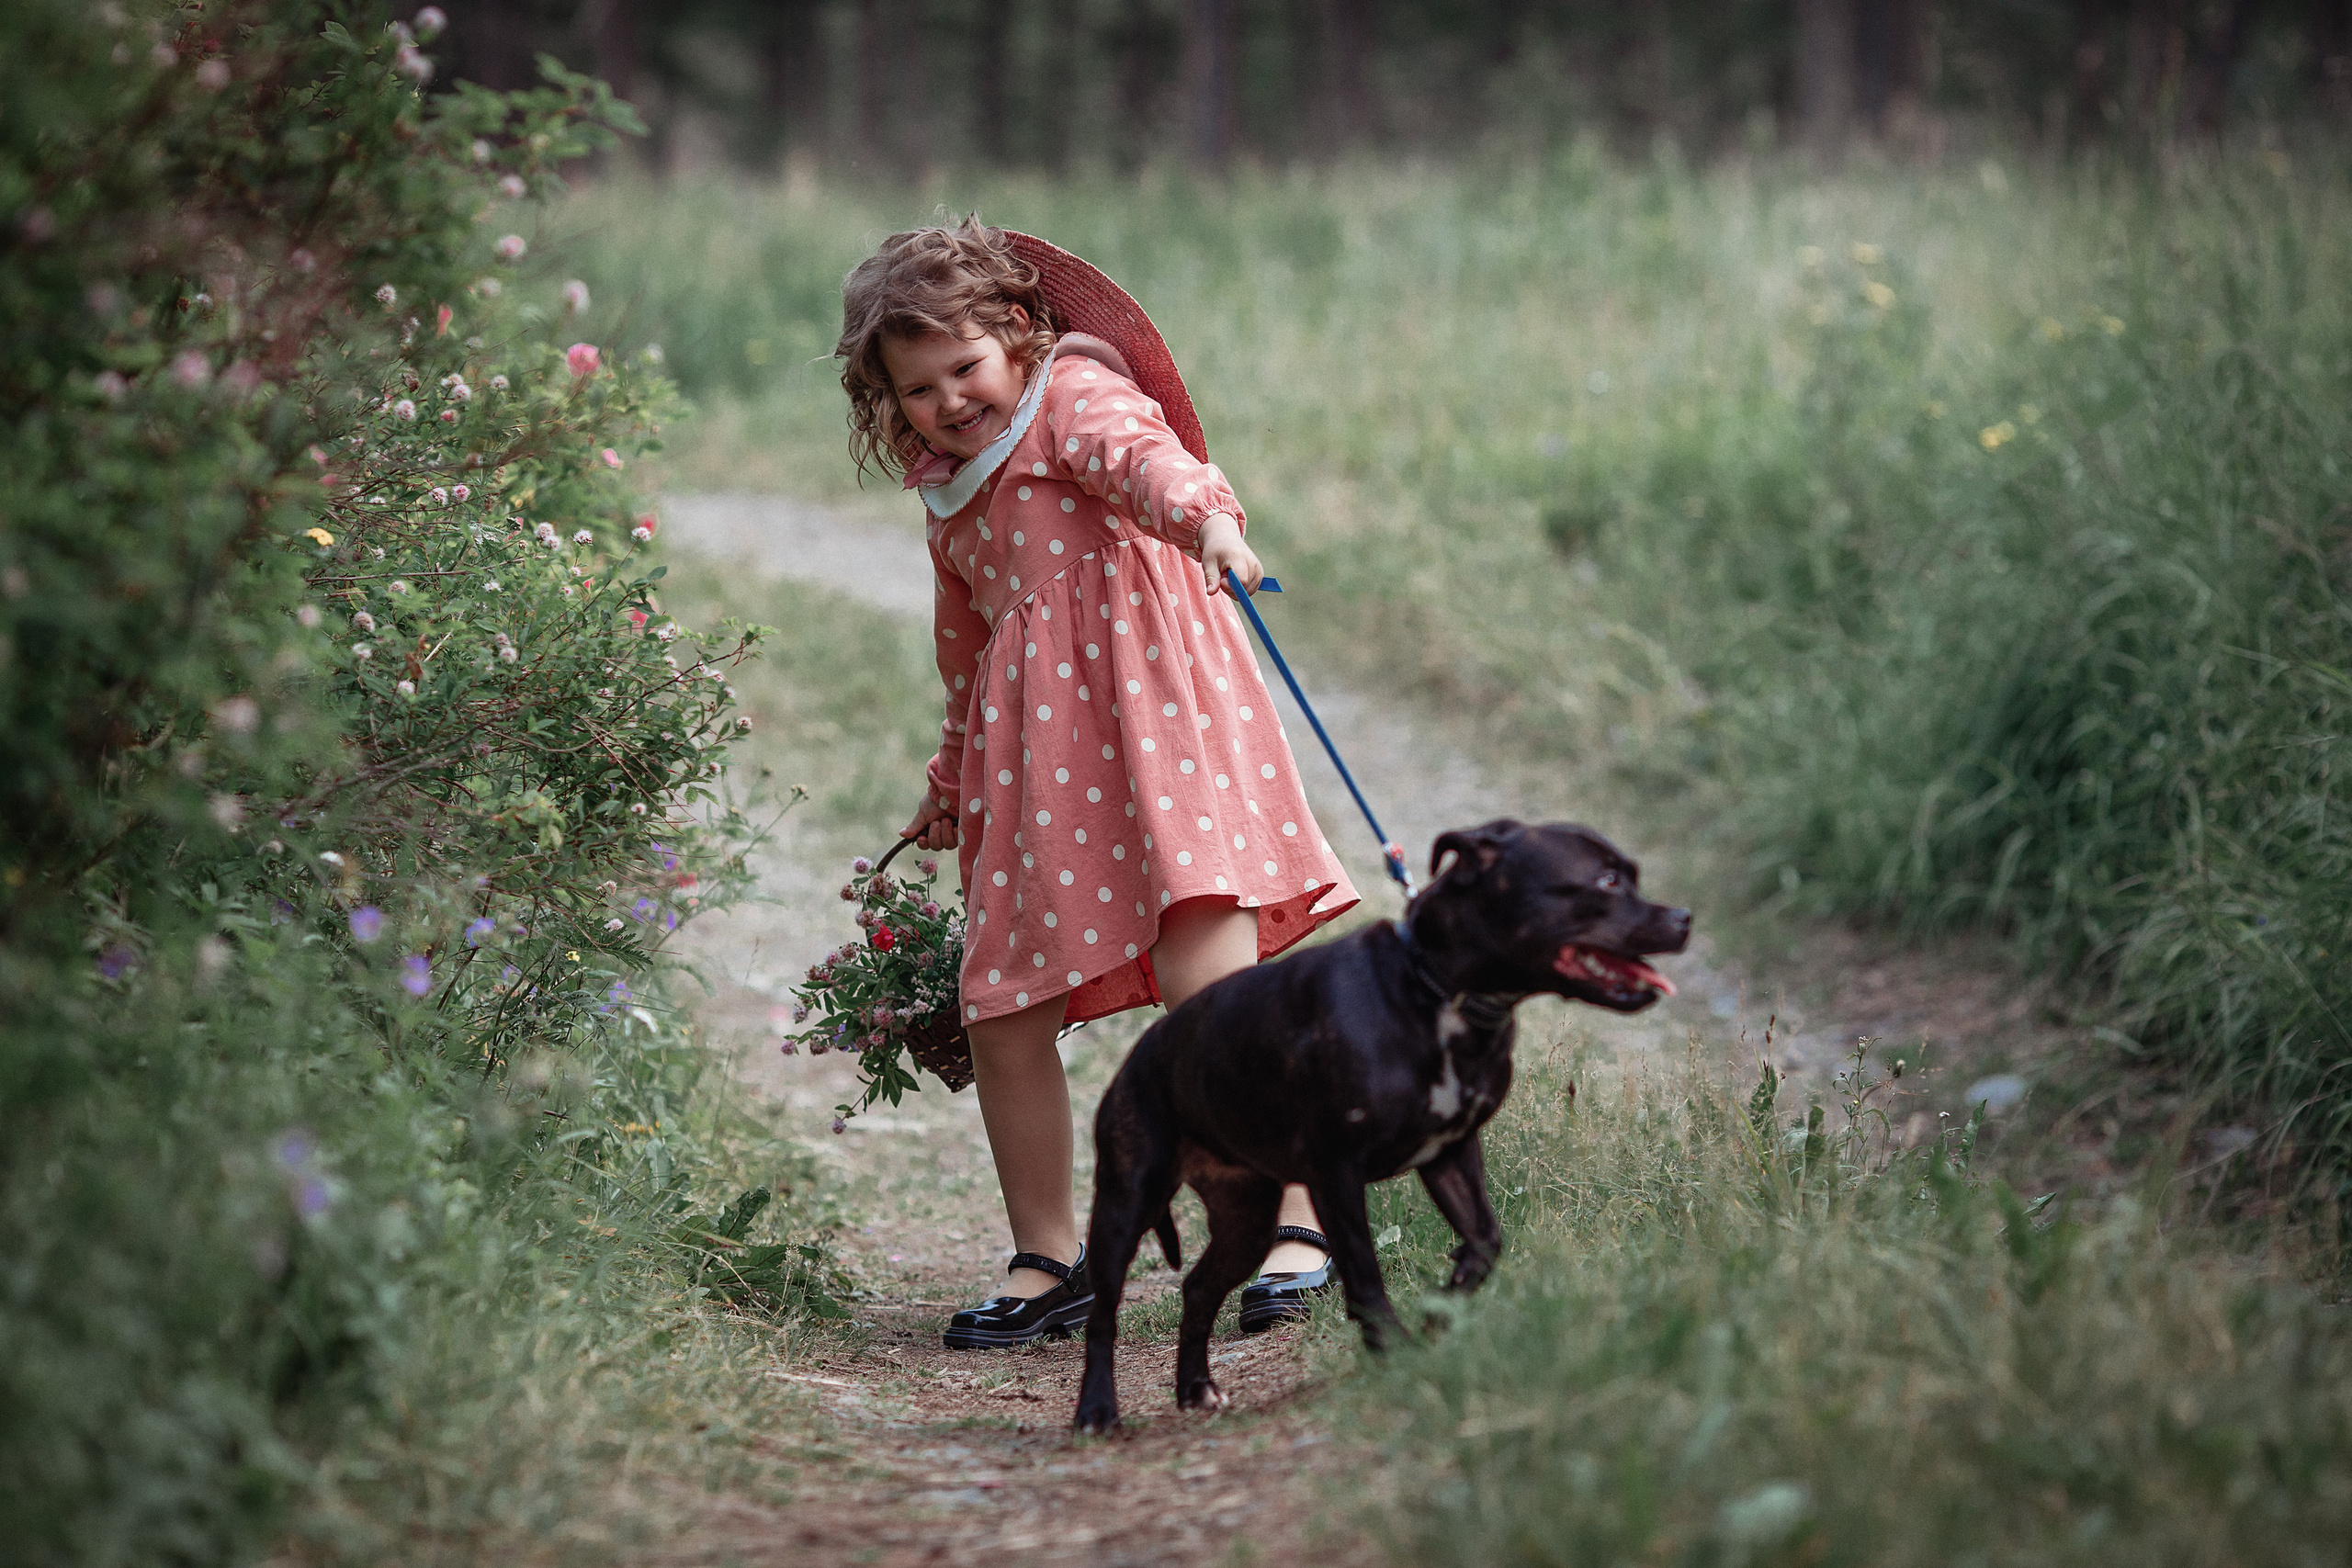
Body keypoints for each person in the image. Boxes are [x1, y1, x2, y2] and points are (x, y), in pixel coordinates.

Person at [833, 218, 1362, 1348]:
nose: (949, 402)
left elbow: (1149, 461)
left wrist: (1211, 525)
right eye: (916, 390)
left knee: (1206, 979)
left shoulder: (1073, 396)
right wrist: (952, 774)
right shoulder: (950, 491)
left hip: (1158, 729)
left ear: (1019, 333)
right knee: (1002, 1002)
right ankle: (1048, 1257)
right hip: (1039, 777)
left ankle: (1301, 1218)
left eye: (965, 368)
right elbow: (965, 652)